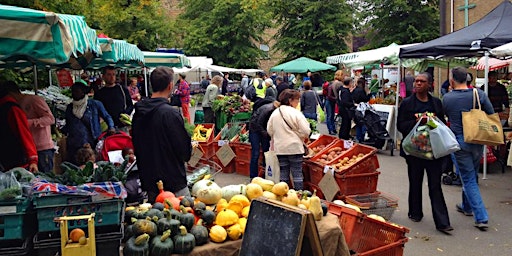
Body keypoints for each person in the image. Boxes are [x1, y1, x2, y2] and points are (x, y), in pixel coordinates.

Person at [397, 72, 452, 233]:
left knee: (435, 185)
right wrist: (416, 121)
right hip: (414, 151)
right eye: (416, 81)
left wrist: (433, 123)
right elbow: (400, 125)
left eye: (422, 81)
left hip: (433, 151)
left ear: (430, 85)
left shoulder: (436, 103)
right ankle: (415, 212)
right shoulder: (407, 103)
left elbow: (441, 124)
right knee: (415, 182)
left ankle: (442, 222)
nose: (417, 84)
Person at [132, 67, 192, 202]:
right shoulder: (170, 114)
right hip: (174, 182)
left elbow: (136, 144)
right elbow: (184, 151)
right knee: (183, 216)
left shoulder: (139, 113)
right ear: (170, 85)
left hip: (150, 182)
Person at [443, 67, 492, 231]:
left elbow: (445, 118)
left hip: (459, 141)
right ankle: (467, 206)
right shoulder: (479, 94)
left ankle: (481, 216)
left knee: (468, 177)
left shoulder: (447, 98)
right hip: (477, 139)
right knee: (471, 174)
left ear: (452, 80)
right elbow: (491, 113)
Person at [4, 82, 55, 173]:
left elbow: (50, 119)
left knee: (46, 179)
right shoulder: (13, 105)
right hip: (29, 150)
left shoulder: (34, 100)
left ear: (11, 93)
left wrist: (27, 123)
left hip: (42, 148)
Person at [267, 89, 310, 190]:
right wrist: (300, 135)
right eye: (297, 100)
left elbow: (269, 130)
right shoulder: (295, 113)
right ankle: (299, 195)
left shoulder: (275, 113)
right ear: (290, 100)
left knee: (283, 173)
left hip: (280, 148)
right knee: (297, 173)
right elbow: (306, 131)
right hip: (294, 147)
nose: (298, 102)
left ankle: (284, 195)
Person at [63, 82, 115, 165]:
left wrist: (111, 127)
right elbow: (69, 124)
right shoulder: (70, 107)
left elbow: (107, 116)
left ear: (83, 92)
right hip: (74, 144)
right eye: (73, 91)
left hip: (92, 141)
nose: (74, 93)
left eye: (77, 91)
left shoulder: (95, 104)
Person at [0, 82, 38, 173]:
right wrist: (33, 159)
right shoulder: (13, 109)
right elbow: (24, 134)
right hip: (16, 159)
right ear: (12, 93)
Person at [248, 98, 278, 178]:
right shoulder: (268, 110)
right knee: (255, 153)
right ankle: (253, 176)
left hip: (263, 130)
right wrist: (267, 134)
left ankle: (266, 174)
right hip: (254, 130)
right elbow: (258, 124)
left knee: (266, 152)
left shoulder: (275, 110)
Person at [326, 71, 344, 135]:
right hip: (331, 101)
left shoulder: (332, 83)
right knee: (330, 116)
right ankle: (331, 129)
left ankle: (332, 129)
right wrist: (336, 99)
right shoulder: (338, 83)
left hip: (329, 100)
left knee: (330, 116)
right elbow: (331, 95)